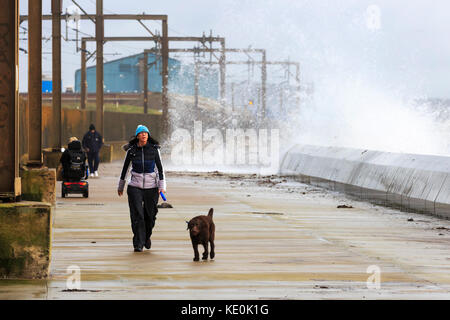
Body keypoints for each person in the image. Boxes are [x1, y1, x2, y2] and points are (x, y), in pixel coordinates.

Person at [117, 125, 166, 252]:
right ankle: (138, 243)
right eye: (141, 133)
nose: (144, 135)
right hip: (135, 187)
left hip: (152, 187)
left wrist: (162, 186)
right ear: (137, 136)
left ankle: (146, 236)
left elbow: (160, 169)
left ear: (148, 135)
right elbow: (125, 169)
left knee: (150, 216)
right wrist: (121, 186)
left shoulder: (154, 150)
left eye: (146, 133)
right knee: (137, 215)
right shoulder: (132, 150)